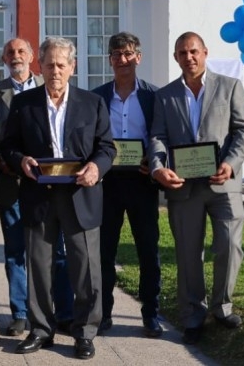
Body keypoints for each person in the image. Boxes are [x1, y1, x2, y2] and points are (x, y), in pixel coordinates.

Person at [1, 37, 116, 360]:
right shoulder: (24, 103)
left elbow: (106, 147)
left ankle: (84, 332)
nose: (55, 70)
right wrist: (20, 160)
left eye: (61, 65)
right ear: (40, 65)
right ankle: (40, 329)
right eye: (49, 64)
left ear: (72, 67)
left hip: (81, 194)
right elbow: (8, 145)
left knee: (85, 267)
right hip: (39, 194)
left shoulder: (92, 103)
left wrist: (96, 167)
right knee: (38, 264)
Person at [149, 32, 244, 345]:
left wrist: (231, 163)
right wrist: (158, 168)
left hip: (223, 184)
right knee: (188, 255)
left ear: (205, 53)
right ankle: (193, 316)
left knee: (230, 246)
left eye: (193, 51)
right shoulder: (164, 96)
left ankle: (222, 306)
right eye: (182, 53)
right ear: (176, 58)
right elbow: (158, 136)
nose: (189, 57)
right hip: (183, 188)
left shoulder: (229, 86)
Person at [0, 37, 74, 336]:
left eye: (21, 51)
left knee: (56, 249)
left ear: (33, 56)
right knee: (15, 250)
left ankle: (63, 311)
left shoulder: (48, 84)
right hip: (11, 182)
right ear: (3, 58)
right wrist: (9, 163)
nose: (15, 56)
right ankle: (21, 312)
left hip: (49, 185)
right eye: (9, 52)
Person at [92, 32, 163, 338]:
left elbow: (162, 135)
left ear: (139, 57)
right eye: (117, 54)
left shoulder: (153, 96)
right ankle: (104, 313)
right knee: (104, 252)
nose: (123, 60)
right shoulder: (97, 97)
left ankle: (151, 315)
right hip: (107, 184)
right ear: (110, 60)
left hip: (141, 181)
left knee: (148, 250)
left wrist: (155, 161)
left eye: (128, 54)